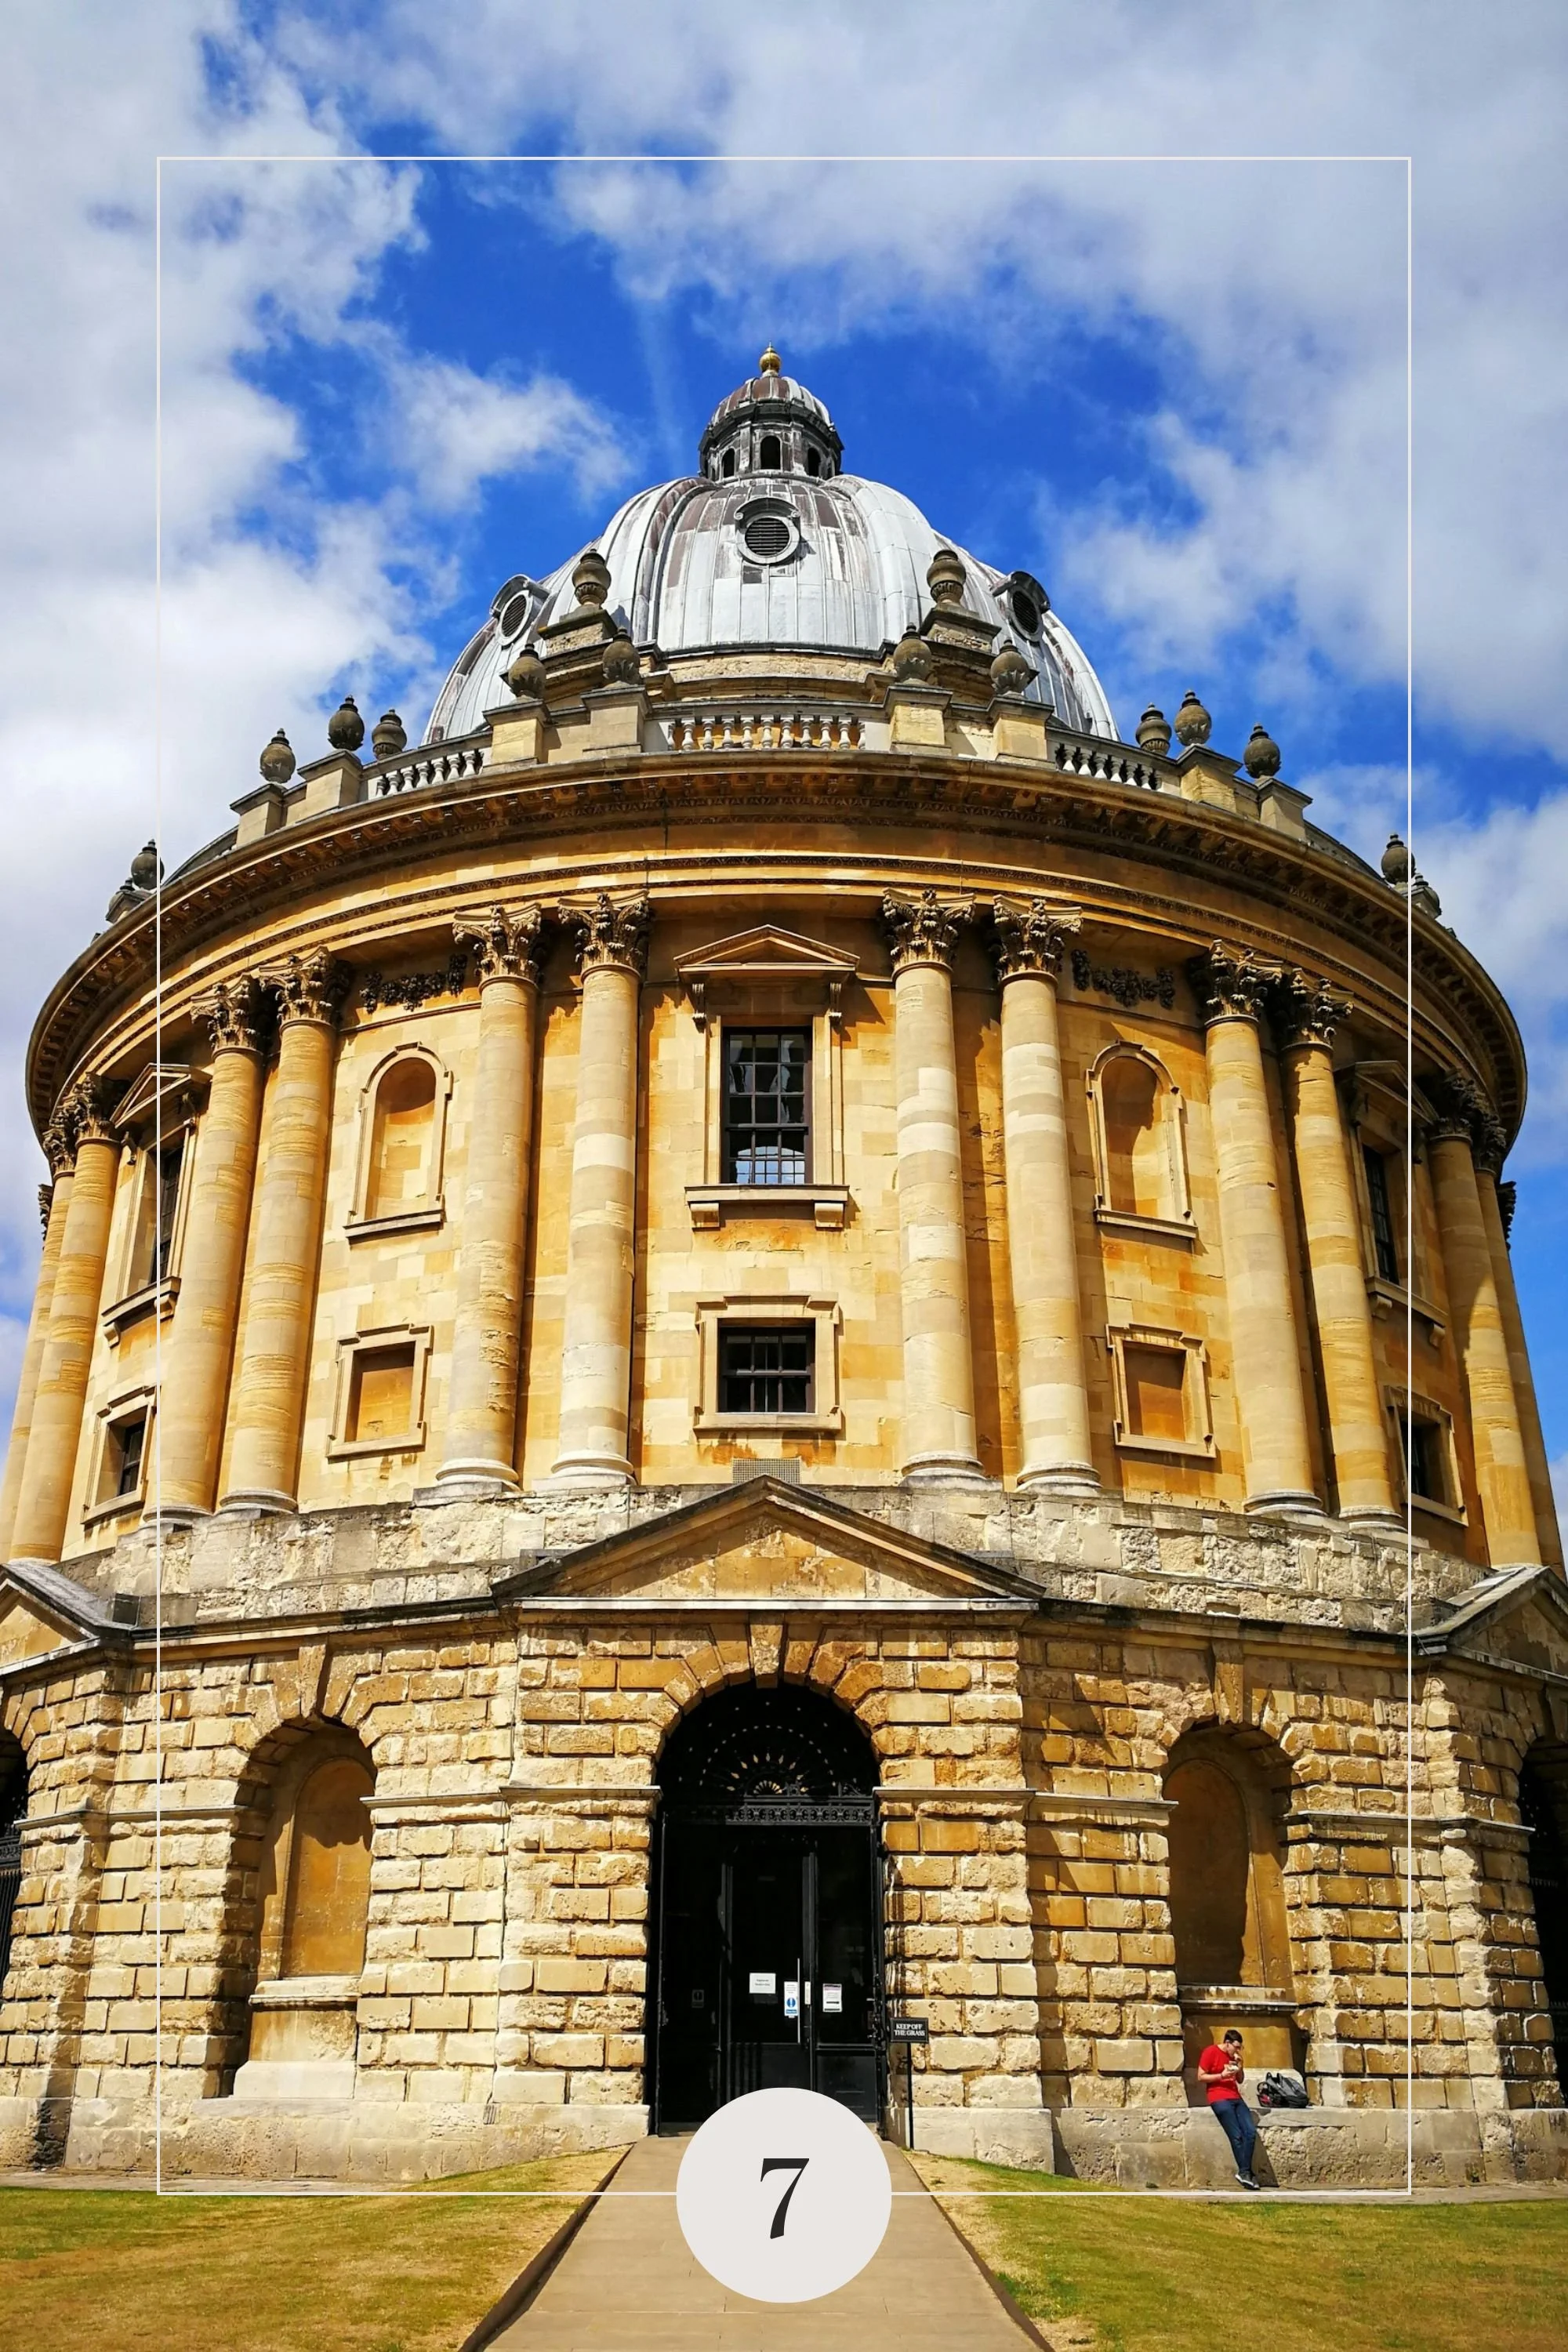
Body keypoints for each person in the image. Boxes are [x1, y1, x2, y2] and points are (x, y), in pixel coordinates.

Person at [1198, 2027, 1261, 2189]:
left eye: (1240, 2048)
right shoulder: (1210, 2052)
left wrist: (1240, 2067)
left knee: (1250, 2132)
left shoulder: (1234, 2057)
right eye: (1236, 2047)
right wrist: (1221, 2076)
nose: (1238, 2050)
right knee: (1237, 2135)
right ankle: (1247, 2173)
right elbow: (1201, 2076)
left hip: (1235, 2097)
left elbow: (1240, 2080)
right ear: (1227, 2043)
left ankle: (1245, 2172)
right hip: (1218, 2097)